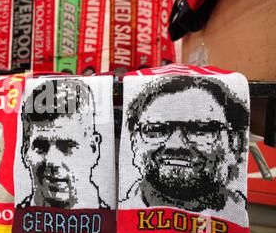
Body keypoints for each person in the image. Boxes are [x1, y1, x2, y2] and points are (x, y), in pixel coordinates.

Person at [120, 76, 249, 214]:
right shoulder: (112, 218)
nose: (176, 144)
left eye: (201, 129)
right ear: (133, 141)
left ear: (235, 143)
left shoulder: (238, 213)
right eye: (155, 129)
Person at [18, 79, 108, 209]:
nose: (52, 161)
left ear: (93, 148)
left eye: (67, 147)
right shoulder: (8, 222)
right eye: (41, 147)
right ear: (25, 151)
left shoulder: (119, 224)